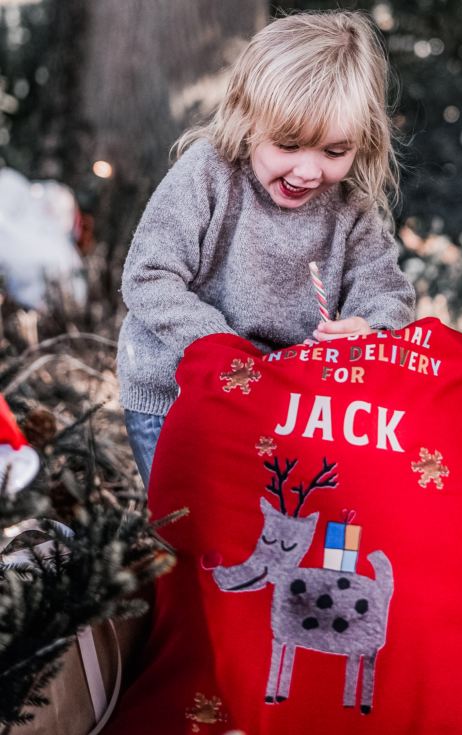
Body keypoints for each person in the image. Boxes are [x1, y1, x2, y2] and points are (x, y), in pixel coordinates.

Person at [117, 11, 416, 488]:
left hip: (285, 409)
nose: (307, 171)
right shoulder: (208, 175)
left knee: (264, 538)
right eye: (289, 144)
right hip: (177, 395)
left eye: (334, 152)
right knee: (193, 531)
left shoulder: (352, 208)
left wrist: (368, 329)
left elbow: (387, 294)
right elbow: (149, 276)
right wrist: (221, 350)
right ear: (248, 117)